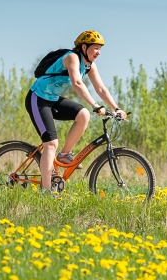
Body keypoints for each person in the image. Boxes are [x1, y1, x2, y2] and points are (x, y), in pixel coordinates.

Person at [25, 30, 126, 191]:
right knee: (51, 144)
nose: (99, 52)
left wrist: (117, 108)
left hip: (53, 99)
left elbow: (100, 88)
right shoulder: (72, 57)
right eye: (96, 48)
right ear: (84, 47)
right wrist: (95, 105)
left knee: (83, 115)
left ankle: (65, 155)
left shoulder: (89, 66)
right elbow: (77, 83)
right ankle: (46, 192)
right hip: (37, 98)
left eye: (100, 49)